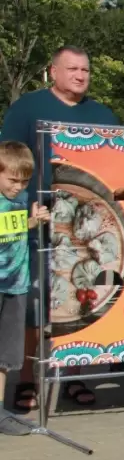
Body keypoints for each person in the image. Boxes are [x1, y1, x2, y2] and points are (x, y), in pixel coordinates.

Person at [1, 45, 118, 412]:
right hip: (37, 223)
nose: (81, 75)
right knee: (36, 307)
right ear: (53, 72)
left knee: (78, 300)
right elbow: (7, 159)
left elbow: (119, 163)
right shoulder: (27, 108)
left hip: (85, 225)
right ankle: (25, 380)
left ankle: (74, 376)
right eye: (73, 69)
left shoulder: (102, 114)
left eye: (86, 70)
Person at [0, 142, 51, 435]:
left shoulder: (23, 200)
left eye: (24, 181)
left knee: (6, 354)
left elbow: (17, 228)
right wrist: (28, 221)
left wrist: (34, 221)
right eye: (12, 179)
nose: (18, 186)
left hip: (16, 284)